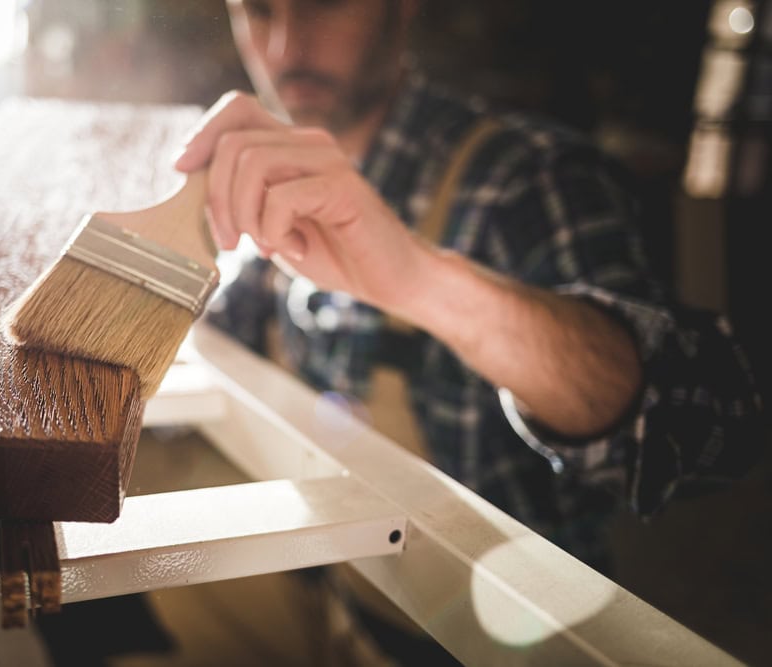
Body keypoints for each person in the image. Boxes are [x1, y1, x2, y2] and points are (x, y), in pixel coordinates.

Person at [146, 0, 767, 663]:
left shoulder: (525, 178)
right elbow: (223, 340)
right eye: (259, 10)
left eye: (324, 4)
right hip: (341, 607)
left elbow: (710, 422)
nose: (285, 48)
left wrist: (422, 280)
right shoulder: (274, 180)